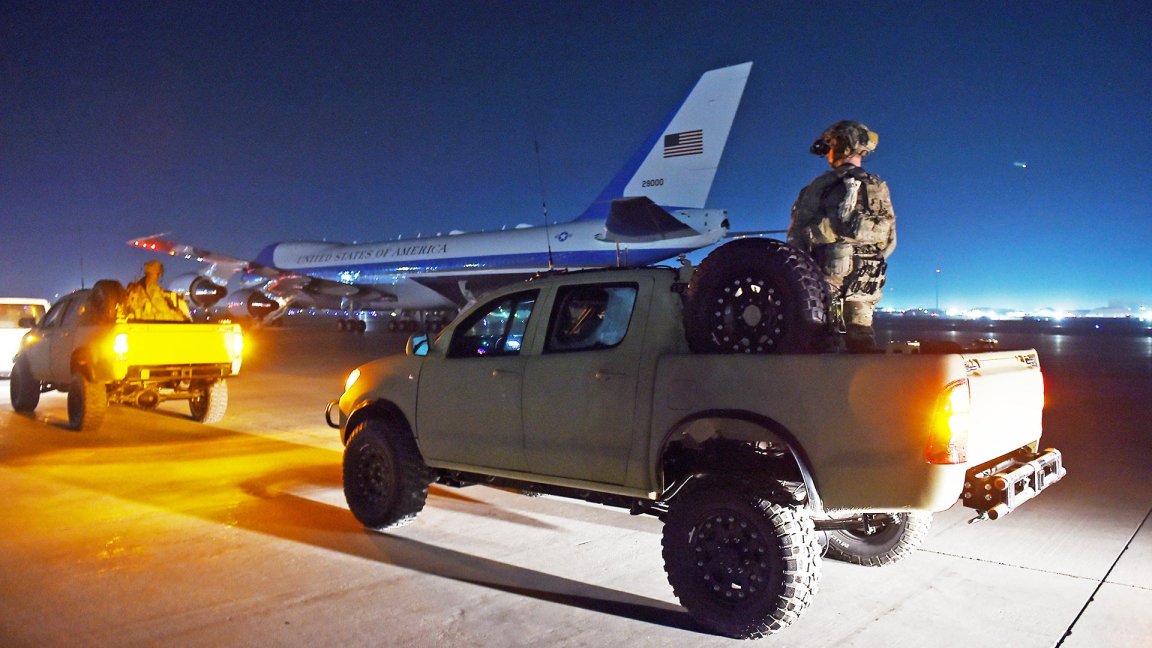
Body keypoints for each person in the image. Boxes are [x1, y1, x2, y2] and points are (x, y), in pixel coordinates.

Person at [787, 120, 896, 352]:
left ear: (841, 145)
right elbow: (890, 240)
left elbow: (797, 235)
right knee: (861, 336)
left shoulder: (821, 185)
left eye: (831, 145)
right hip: (868, 276)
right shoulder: (877, 185)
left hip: (831, 274)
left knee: (830, 334)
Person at [125, 260, 192, 321]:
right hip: (148, 321)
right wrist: (179, 317)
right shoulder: (151, 287)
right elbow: (162, 308)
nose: (159, 277)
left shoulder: (141, 286)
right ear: (156, 273)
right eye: (158, 274)